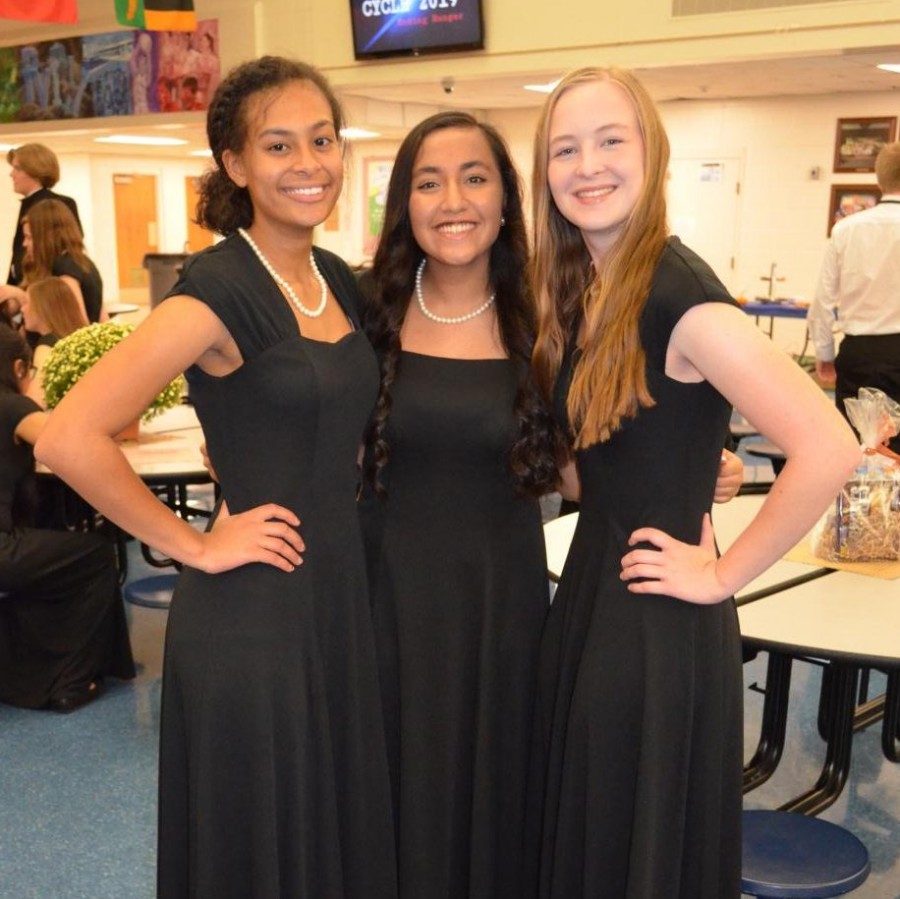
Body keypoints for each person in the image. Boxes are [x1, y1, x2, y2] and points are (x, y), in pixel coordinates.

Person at [35, 55, 397, 899]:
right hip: (255, 608)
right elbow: (68, 438)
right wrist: (190, 543)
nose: (308, 163)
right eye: (278, 145)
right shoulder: (214, 292)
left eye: (322, 140)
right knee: (264, 831)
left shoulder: (335, 277)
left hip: (340, 589)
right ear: (235, 165)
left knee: (329, 818)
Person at [528, 67, 859, 898]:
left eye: (611, 140)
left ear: (653, 152)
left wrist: (720, 572)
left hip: (653, 619)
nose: (587, 164)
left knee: (629, 845)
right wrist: (687, 455)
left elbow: (828, 446)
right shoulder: (593, 287)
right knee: (597, 836)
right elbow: (588, 459)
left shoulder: (682, 295)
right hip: (599, 597)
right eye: (565, 148)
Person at [359, 111, 563, 899]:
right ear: (404, 203)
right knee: (390, 789)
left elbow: (576, 465)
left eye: (475, 177)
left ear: (506, 200)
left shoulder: (542, 319)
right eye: (428, 180)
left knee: (490, 799)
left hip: (499, 605)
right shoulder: (363, 309)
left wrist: (686, 472)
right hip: (385, 600)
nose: (453, 199)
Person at [0, 325, 134, 713]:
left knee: (56, 549)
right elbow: (63, 443)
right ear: (18, 366)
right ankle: (69, 684)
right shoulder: (11, 405)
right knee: (95, 555)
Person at [809, 141, 900, 453]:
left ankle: (856, 503)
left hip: (859, 353)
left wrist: (823, 353)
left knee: (859, 450)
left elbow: (822, 302)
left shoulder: (846, 229)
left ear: (878, 179)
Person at [2, 199, 104, 326]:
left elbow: (76, 326)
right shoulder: (83, 262)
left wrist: (21, 296)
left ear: (46, 237)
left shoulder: (65, 270)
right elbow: (102, 316)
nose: (25, 244)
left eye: (29, 237)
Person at [6, 143, 81, 286]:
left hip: (42, 292)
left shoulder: (52, 205)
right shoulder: (28, 203)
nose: (11, 174)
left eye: (17, 168)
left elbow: (56, 256)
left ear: (35, 170)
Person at [19, 276, 88, 407]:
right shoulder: (76, 340)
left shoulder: (46, 347)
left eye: (27, 302)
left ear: (43, 307)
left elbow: (38, 400)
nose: (22, 309)